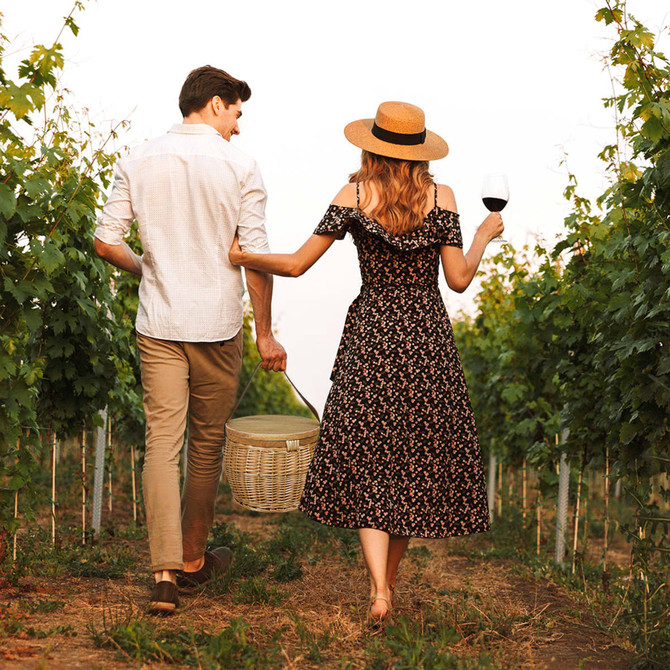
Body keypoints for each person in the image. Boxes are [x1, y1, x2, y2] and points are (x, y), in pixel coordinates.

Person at [228, 101, 502, 624]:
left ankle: (379, 590)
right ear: (420, 151)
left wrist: (244, 258)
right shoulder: (442, 197)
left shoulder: (353, 195)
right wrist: (484, 236)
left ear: (370, 146)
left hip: (372, 338)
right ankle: (386, 586)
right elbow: (460, 280)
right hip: (426, 339)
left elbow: (295, 265)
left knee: (373, 461)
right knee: (412, 465)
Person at [94, 65, 286, 613]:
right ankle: (195, 559)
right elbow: (255, 258)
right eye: (237, 114)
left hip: (158, 321)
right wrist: (266, 334)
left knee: (162, 443)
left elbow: (106, 243)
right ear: (218, 103)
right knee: (207, 446)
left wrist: (146, 270)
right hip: (218, 325)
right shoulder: (241, 166)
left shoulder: (137, 159)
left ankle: (163, 574)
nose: (239, 127)